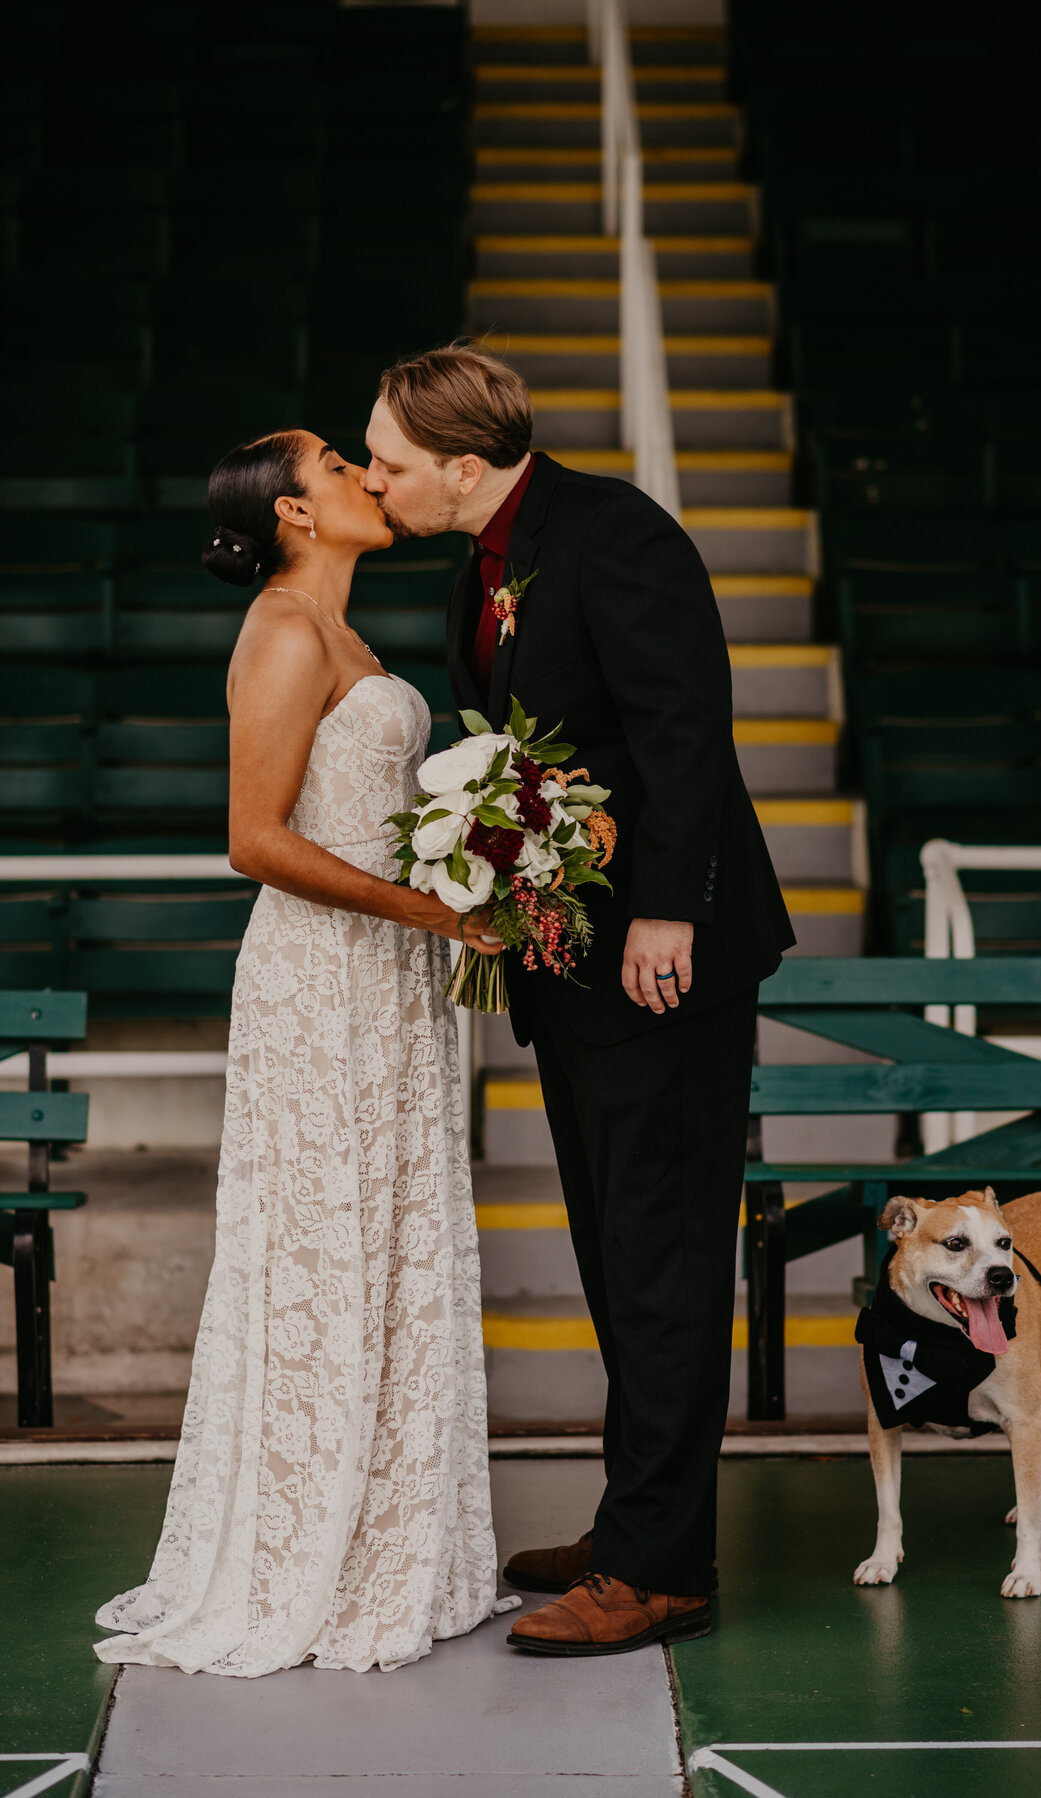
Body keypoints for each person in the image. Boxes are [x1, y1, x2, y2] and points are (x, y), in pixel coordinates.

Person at [365, 347, 794, 1656]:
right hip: (574, 968)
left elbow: (682, 727)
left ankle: (662, 1569)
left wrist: (667, 906)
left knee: (661, 1261)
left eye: (387, 458)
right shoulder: (478, 567)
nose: (375, 478)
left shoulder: (614, 535)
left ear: (462, 461)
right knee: (618, 1259)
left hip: (660, 964)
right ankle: (632, 1522)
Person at [95, 429, 505, 1676]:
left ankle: (391, 1537)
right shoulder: (282, 630)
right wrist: (440, 911)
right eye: (338, 464)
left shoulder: (353, 637)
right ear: (294, 512)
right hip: (322, 978)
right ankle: (295, 1553)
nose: (366, 475)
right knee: (323, 1245)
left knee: (388, 1240)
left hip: (387, 980)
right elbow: (255, 840)